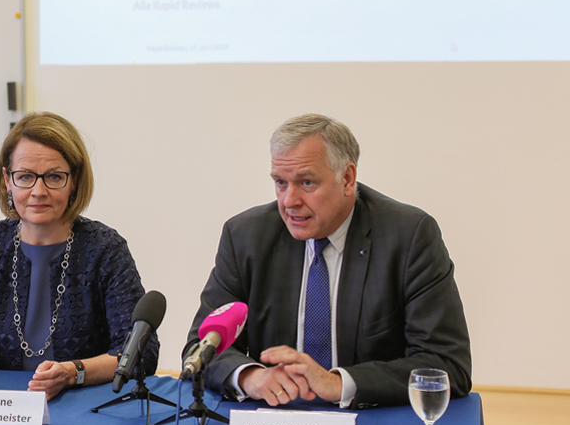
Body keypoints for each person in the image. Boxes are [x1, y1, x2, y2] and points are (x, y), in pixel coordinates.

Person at [187, 113, 471, 409]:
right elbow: (200, 346)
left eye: (306, 182)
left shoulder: (408, 236)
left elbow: (447, 365)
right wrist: (249, 376)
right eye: (281, 183)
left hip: (373, 421)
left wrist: (337, 383)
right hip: (275, 422)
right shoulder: (246, 236)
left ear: (347, 179)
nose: (289, 201)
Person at [0, 112, 157, 400]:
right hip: (9, 406)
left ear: (74, 181)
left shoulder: (105, 249)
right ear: (7, 180)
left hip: (85, 406)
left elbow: (140, 352)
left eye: (55, 177)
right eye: (25, 177)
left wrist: (73, 372)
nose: (38, 191)